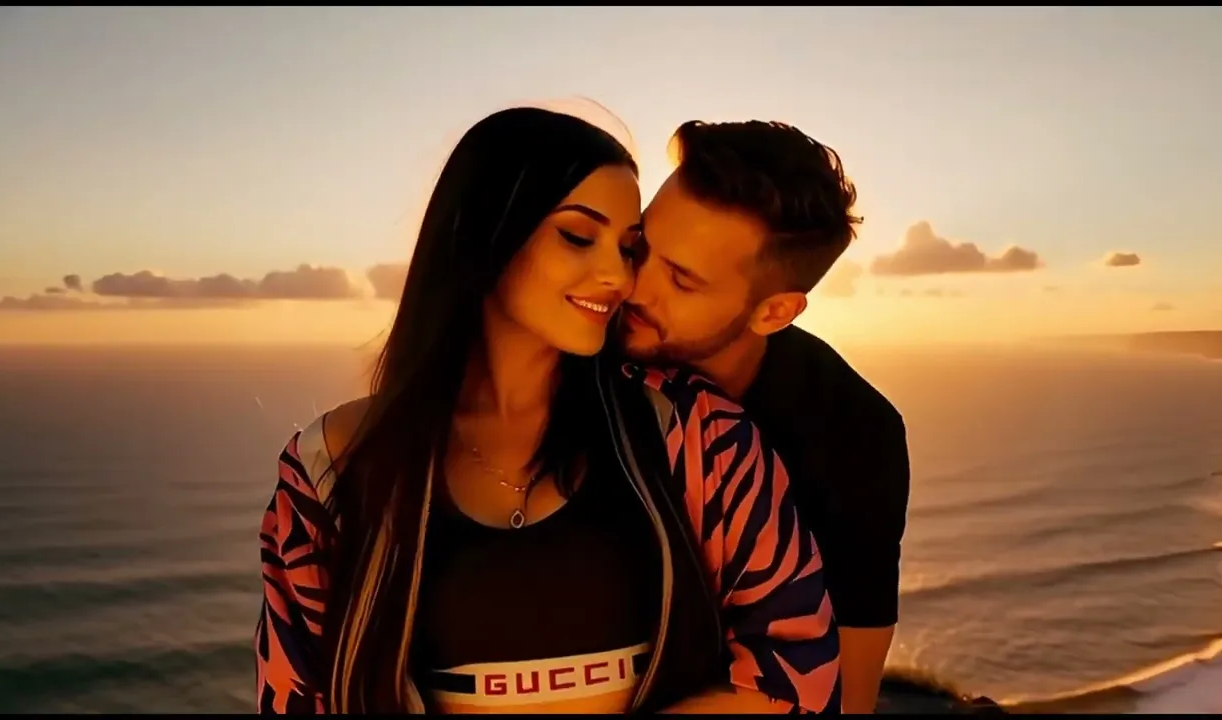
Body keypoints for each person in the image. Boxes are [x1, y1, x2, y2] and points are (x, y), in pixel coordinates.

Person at [253, 107, 842, 714]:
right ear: (487, 230)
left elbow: (797, 677)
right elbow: (293, 697)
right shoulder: (330, 469)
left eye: (628, 248)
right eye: (578, 237)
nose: (619, 278)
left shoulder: (694, 433)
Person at [620, 119, 911, 714]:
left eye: (681, 280)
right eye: (640, 247)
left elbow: (847, 692)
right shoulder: (585, 343)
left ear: (774, 313)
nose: (633, 286)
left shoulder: (856, 435)